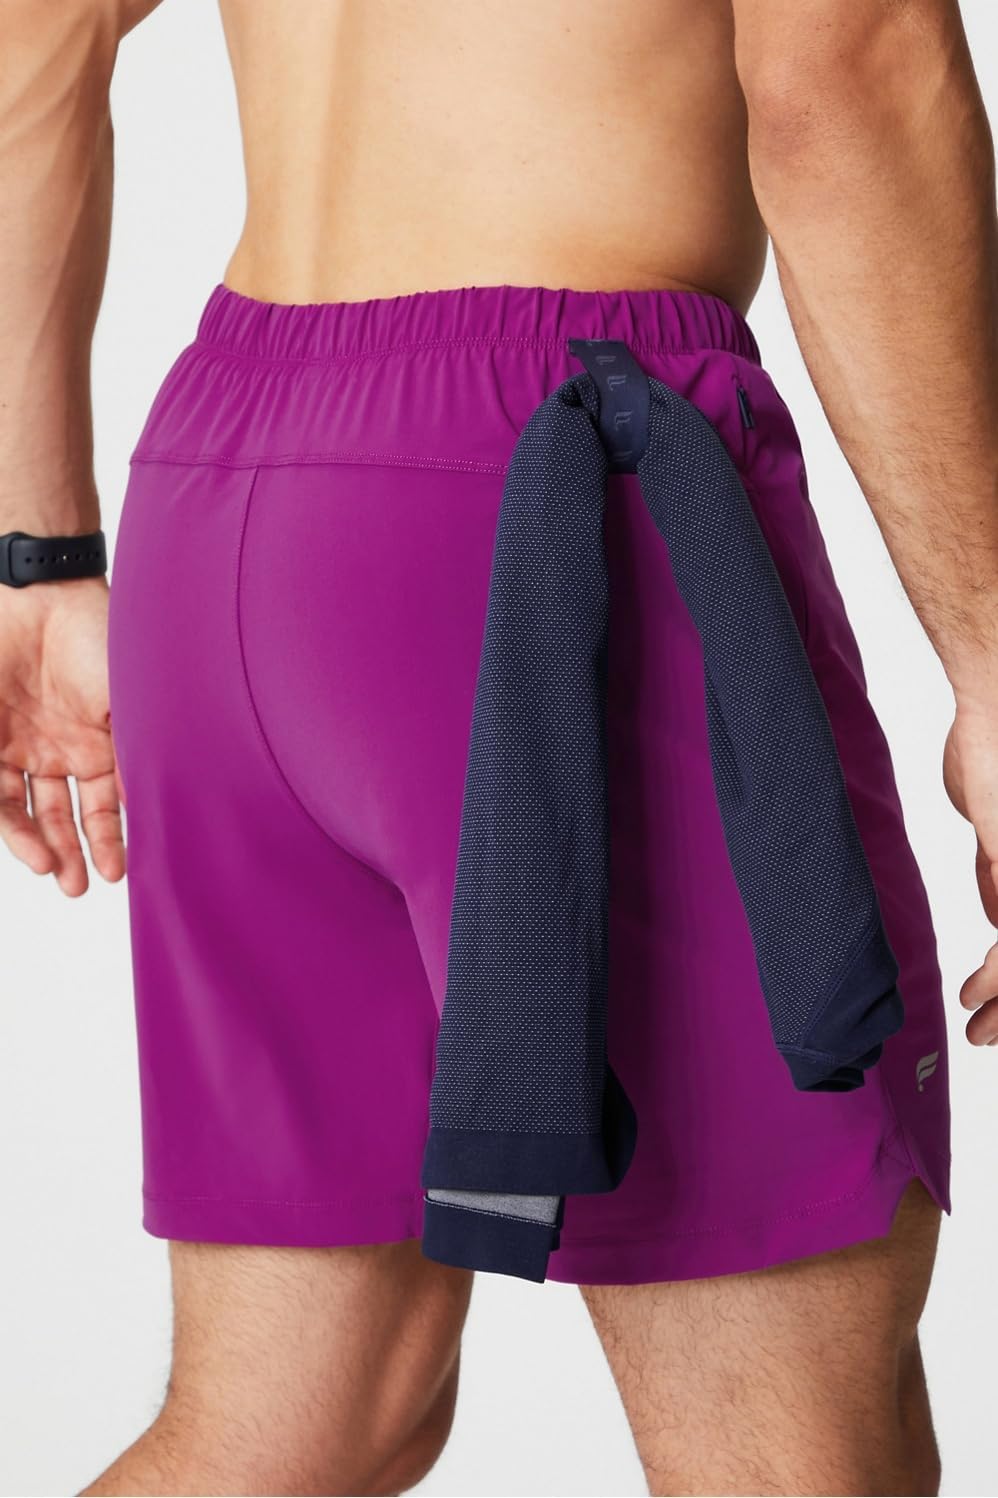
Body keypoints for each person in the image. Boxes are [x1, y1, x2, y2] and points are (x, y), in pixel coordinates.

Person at [1, 0, 994, 1491]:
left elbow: (36, 24)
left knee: (307, 1424)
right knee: (793, 1459)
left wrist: (34, 554)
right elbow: (843, 64)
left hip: (224, 493)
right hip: (554, 496)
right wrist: (992, 661)